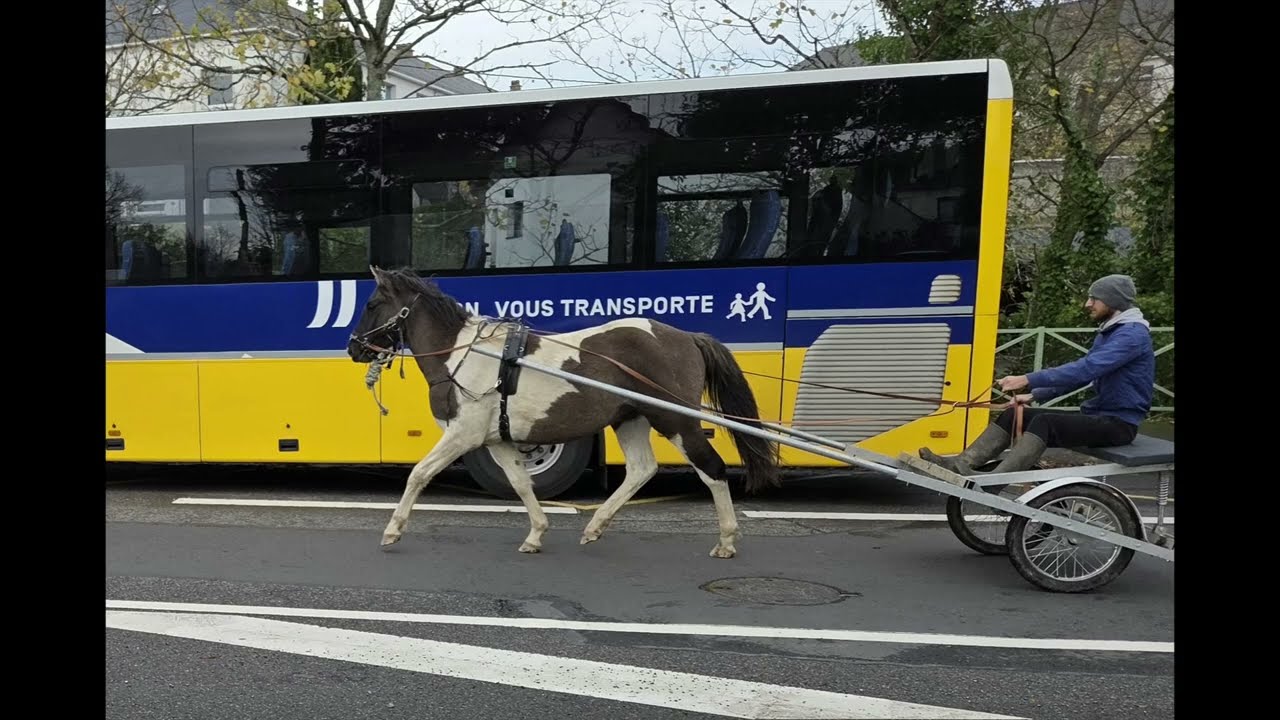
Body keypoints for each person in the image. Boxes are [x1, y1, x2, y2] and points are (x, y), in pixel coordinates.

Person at [920, 274, 1156, 475]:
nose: (1087, 304)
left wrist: (1028, 379)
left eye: (1094, 298)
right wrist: (1033, 395)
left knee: (1046, 422)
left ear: (1113, 301)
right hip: (1101, 417)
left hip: (1118, 425)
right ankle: (961, 464)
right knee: (1013, 414)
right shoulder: (1113, 332)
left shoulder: (1131, 336)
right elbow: (1085, 376)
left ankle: (995, 481)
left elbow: (1086, 370)